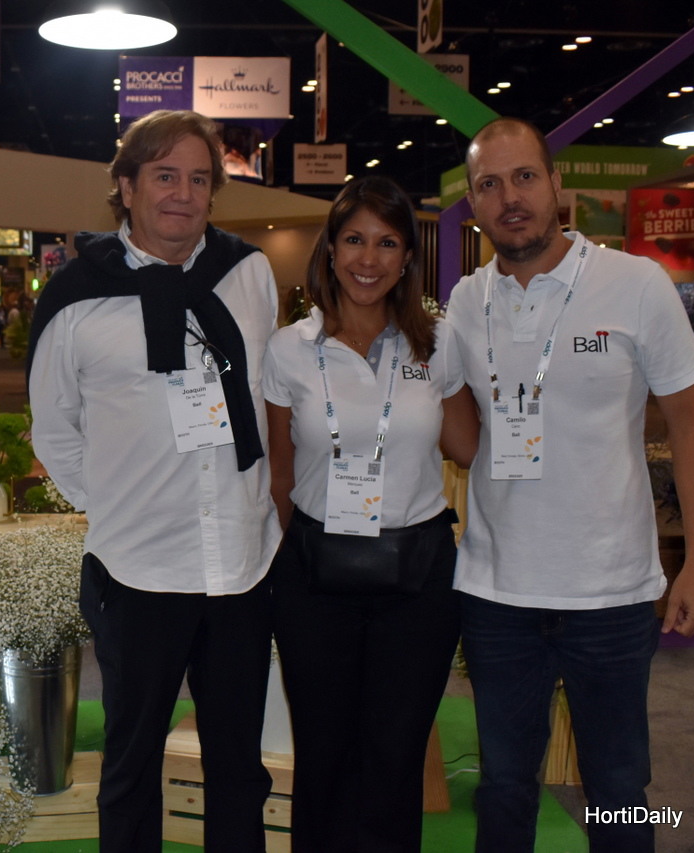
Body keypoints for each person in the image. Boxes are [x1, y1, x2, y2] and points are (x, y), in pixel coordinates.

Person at [449, 117, 694, 852]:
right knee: (504, 784)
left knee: (620, 789)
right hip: (498, 595)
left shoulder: (635, 284)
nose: (510, 197)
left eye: (524, 177)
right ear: (474, 202)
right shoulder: (467, 303)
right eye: (490, 184)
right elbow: (457, 430)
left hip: (612, 592)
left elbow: (693, 425)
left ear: (555, 183)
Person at [28, 109, 281, 852]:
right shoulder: (76, 296)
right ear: (127, 186)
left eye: (199, 179)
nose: (183, 194)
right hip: (137, 570)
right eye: (165, 176)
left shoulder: (247, 273)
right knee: (131, 765)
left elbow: (270, 397)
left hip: (240, 565)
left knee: (239, 767)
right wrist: (117, 504)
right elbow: (55, 429)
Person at [261, 175, 478, 852]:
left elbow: (468, 449)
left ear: (408, 257)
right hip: (315, 575)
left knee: (395, 756)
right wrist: (282, 563)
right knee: (323, 753)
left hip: (417, 580)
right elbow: (279, 474)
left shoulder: (437, 343)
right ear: (330, 249)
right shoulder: (288, 349)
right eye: (354, 239)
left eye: (387, 243)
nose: (368, 258)